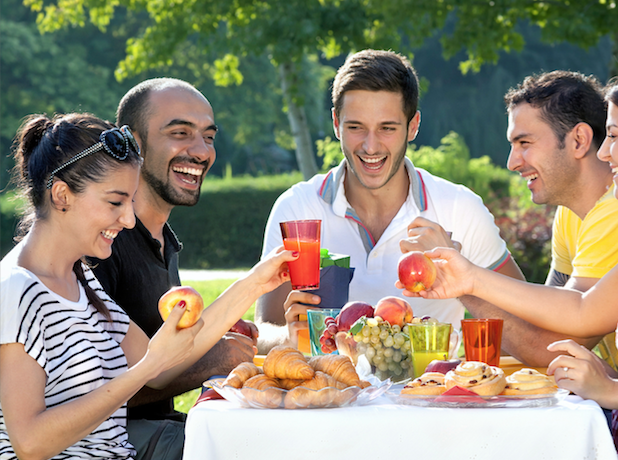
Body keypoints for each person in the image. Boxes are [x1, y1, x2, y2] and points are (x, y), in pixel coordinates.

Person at [402, 57, 618, 458]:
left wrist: (610, 389)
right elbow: (581, 309)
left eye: (615, 136)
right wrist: (468, 279)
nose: (604, 153)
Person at [0, 113, 295, 459]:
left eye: (130, 201)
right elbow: (30, 443)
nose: (127, 220)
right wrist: (145, 368)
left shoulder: (81, 279)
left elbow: (163, 364)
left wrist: (255, 283)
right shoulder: (17, 290)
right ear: (62, 195)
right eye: (115, 202)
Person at [255, 49, 525, 346]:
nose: (371, 147)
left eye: (387, 128)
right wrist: (289, 337)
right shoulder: (295, 208)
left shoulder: (461, 209)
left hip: (429, 391)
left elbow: (524, 322)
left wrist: (462, 282)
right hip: (329, 390)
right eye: (355, 127)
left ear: (413, 126)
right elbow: (264, 330)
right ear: (335, 123)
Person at [87, 78, 275, 457]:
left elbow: (158, 361)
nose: (201, 151)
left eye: (208, 136)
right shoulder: (100, 244)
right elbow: (89, 391)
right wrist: (212, 361)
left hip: (162, 431)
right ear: (134, 142)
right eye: (180, 133)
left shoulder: (163, 243)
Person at [479, 71, 618, 371]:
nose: (512, 162)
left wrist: (462, 284)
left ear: (579, 141)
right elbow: (544, 322)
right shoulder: (572, 212)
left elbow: (552, 350)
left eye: (524, 142)